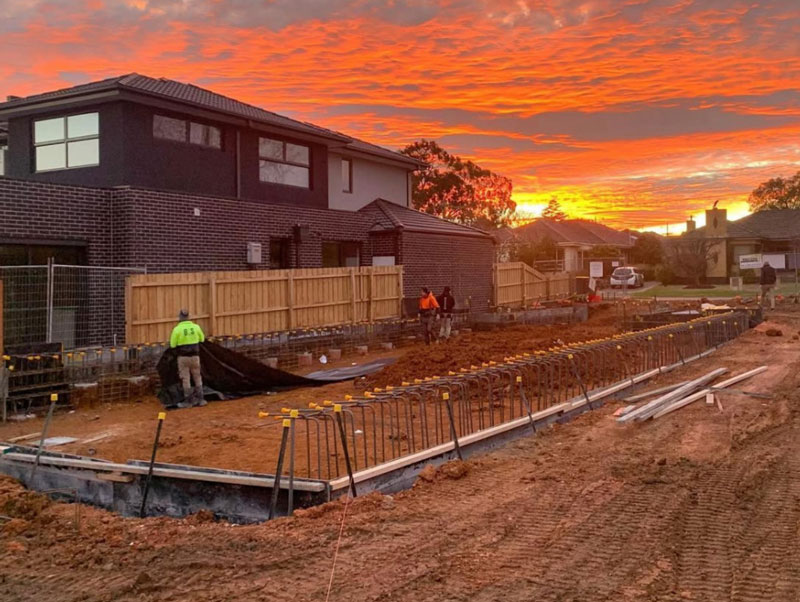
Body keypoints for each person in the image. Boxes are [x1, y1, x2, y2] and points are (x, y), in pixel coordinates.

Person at [169, 309, 206, 407]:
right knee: (197, 376)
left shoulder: (177, 329)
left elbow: (172, 345)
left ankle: (188, 401)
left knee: (186, 378)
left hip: (183, 358)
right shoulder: (196, 327)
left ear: (180, 317)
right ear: (189, 317)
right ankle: (201, 399)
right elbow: (202, 339)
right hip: (195, 357)